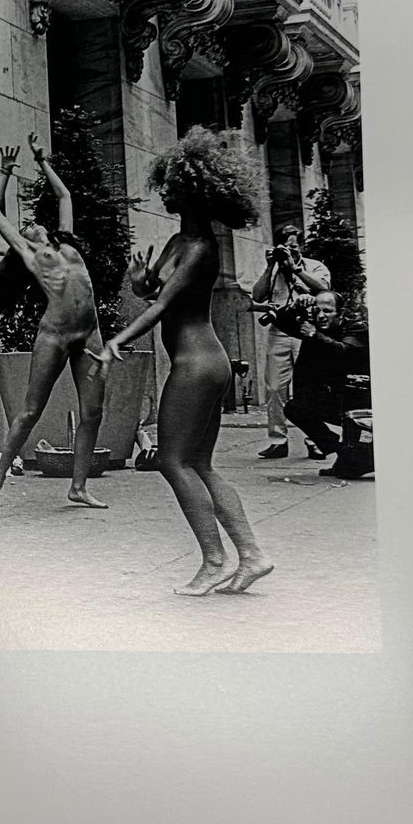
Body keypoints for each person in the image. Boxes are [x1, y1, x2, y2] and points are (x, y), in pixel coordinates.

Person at [104, 127, 274, 595]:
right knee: (199, 462)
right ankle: (252, 556)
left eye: (176, 187)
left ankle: (214, 560)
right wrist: (141, 282)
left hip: (196, 364)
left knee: (173, 461)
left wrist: (117, 338)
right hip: (204, 361)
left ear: (198, 193)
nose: (168, 193)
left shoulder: (199, 248)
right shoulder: (180, 242)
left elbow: (162, 310)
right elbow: (159, 296)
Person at [0, 133, 108, 511]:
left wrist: (43, 161)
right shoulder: (31, 255)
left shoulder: (66, 241)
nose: (29, 225)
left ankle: (78, 487)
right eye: (25, 227)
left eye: (31, 223)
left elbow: (65, 197)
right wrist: (5, 172)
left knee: (93, 412)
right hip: (56, 335)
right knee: (30, 411)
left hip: (90, 333)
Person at [244, 221, 331, 458]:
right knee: (274, 387)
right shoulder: (272, 271)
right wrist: (270, 266)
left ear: (301, 247)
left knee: (308, 388)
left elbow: (323, 289)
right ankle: (278, 440)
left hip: (307, 332)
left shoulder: (314, 267)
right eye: (286, 247)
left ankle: (315, 441)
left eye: (295, 247)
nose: (290, 252)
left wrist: (295, 269)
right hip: (279, 332)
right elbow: (257, 294)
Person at [283, 290, 371, 465]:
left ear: (340, 312)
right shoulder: (313, 326)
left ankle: (354, 456)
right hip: (336, 396)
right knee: (295, 408)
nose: (321, 316)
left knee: (348, 468)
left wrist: (313, 335)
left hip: (362, 399)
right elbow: (283, 322)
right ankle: (342, 451)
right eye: (317, 311)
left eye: (327, 311)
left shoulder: (356, 327)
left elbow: (343, 352)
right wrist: (294, 307)